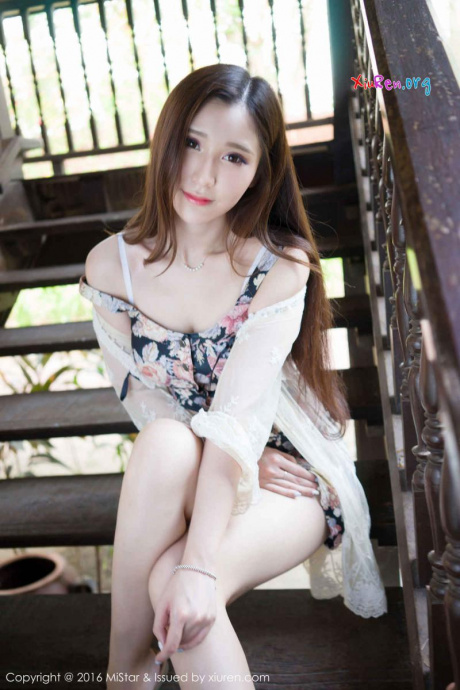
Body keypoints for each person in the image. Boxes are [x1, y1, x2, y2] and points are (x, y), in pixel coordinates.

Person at [79, 63, 387, 690]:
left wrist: (197, 566)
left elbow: (240, 418)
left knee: (176, 579)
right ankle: (126, 672)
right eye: (192, 143)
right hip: (191, 461)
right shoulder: (112, 268)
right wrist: (221, 451)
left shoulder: (277, 266)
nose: (203, 175)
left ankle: (126, 671)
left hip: (288, 475)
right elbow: (143, 398)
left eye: (234, 157)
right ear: (166, 139)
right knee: (162, 441)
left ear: (260, 172)